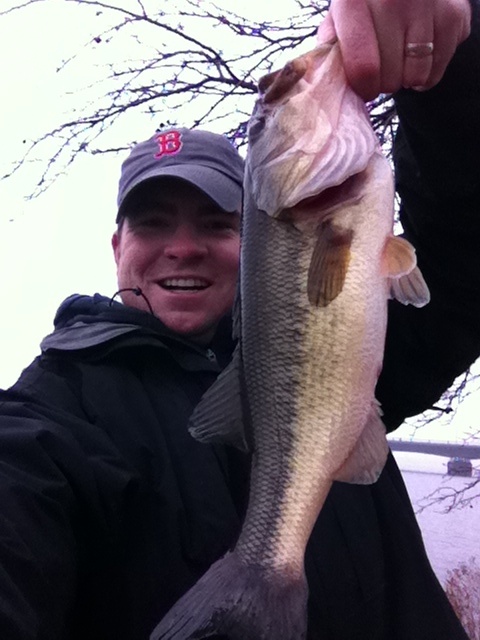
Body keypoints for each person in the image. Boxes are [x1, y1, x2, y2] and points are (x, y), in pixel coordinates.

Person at [0, 1, 478, 639]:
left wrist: (455, 65)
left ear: (252, 240)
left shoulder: (351, 335)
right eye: (152, 222)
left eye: (216, 222)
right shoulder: (54, 413)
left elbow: (464, 262)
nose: (184, 247)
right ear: (118, 248)